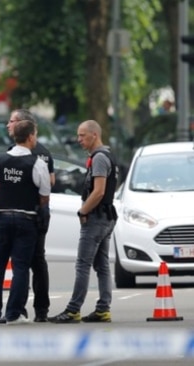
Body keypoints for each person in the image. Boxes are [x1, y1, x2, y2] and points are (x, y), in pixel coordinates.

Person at [0, 119, 51, 325]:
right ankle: (13, 314)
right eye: (35, 135)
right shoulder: (38, 163)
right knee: (20, 267)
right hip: (26, 219)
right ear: (29, 137)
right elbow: (44, 195)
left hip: (1, 217)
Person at [48, 120, 118, 324]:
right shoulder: (107, 156)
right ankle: (103, 308)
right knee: (102, 265)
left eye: (82, 135)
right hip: (107, 217)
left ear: (94, 135)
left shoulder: (99, 159)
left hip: (96, 218)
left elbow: (99, 191)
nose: (78, 139)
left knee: (83, 265)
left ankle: (73, 310)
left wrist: (82, 211)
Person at [6, 109, 55, 322]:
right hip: (40, 212)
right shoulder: (45, 152)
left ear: (23, 126)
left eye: (12, 121)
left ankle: (20, 308)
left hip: (24, 212)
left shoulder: (15, 152)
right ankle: (41, 310)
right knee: (38, 261)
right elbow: (51, 182)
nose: (8, 125)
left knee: (21, 262)